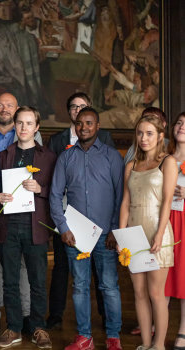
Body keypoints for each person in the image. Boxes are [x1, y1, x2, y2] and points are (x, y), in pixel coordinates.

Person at [50, 108, 124, 350]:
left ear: (98, 126)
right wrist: (63, 227)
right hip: (76, 235)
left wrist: (115, 229)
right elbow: (54, 195)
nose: (84, 127)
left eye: (89, 123)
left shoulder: (112, 157)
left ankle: (113, 337)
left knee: (109, 287)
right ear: (75, 126)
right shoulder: (65, 158)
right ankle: (85, 337)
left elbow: (120, 195)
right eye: (80, 123)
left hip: (106, 235)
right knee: (80, 286)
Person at [0, 106, 56, 349]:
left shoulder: (48, 157)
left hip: (36, 227)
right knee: (9, 280)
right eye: (19, 123)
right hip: (9, 227)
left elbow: (59, 192)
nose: (23, 128)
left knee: (38, 281)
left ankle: (39, 327)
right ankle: (13, 328)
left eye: (29, 123)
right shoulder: (4, 155)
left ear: (37, 127)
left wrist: (41, 190)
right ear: (15, 125)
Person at [0, 93, 41, 334]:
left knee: (23, 263)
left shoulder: (29, 134)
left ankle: (26, 315)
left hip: (23, 209)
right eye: (0, 104)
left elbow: (40, 170)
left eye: (10, 106)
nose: (4, 109)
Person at [119, 114, 175, 350]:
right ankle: (145, 344)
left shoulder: (168, 162)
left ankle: (159, 345)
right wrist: (121, 235)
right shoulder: (131, 165)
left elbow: (167, 202)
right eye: (140, 133)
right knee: (139, 292)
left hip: (156, 231)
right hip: (133, 232)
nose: (143, 138)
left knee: (155, 293)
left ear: (160, 136)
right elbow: (125, 201)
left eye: (149, 133)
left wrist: (160, 234)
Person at [167, 111, 185, 350]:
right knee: (162, 274)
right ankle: (157, 326)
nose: (182, 127)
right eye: (179, 123)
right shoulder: (164, 157)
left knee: (183, 274)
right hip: (165, 219)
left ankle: (183, 329)